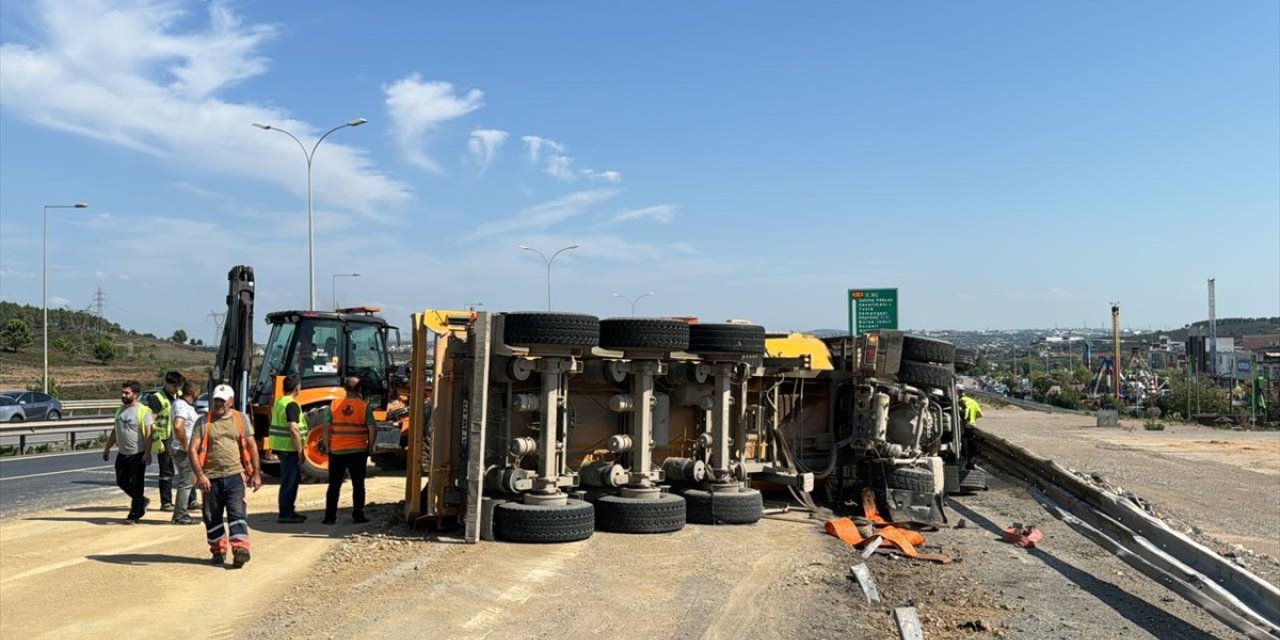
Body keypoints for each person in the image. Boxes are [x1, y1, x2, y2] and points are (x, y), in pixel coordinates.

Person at [191, 384, 262, 568]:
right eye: (216, 400)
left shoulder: (240, 419)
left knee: (237, 513)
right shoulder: (203, 421)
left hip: (234, 476)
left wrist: (256, 474)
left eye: (222, 400)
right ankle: (218, 550)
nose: (218, 403)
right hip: (210, 478)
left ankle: (240, 550)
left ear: (231, 401)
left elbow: (252, 446)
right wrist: (200, 475)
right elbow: (193, 449)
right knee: (212, 516)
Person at [323, 376, 376, 525]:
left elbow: (326, 427)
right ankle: (358, 515)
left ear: (345, 389)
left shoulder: (334, 404)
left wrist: (327, 446)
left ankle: (329, 517)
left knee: (334, 485)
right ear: (359, 389)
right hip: (358, 451)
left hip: (337, 451)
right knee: (358, 485)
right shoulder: (364, 406)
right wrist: (370, 447)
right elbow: (372, 428)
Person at [103, 381, 153, 524]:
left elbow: (149, 433)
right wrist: (107, 448)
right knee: (121, 481)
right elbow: (115, 430)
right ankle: (141, 500)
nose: (123, 395)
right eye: (122, 392)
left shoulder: (144, 411)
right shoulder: (120, 410)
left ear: (135, 395)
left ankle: (135, 513)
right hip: (122, 453)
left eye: (127, 393)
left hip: (137, 453)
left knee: (138, 484)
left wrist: (147, 453)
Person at [269, 374, 309, 524]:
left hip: (281, 447)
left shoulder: (280, 402)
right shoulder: (291, 404)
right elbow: (293, 429)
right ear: (297, 388)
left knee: (289, 480)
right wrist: (300, 451)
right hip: (289, 448)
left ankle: (288, 511)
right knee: (290, 481)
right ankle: (286, 513)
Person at [146, 371, 184, 512]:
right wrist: (157, 442)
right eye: (174, 386)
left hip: (179, 436)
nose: (177, 389)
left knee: (186, 469)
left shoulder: (179, 396)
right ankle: (166, 502)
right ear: (166, 383)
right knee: (167, 471)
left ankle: (190, 500)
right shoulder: (157, 398)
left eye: (178, 386)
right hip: (165, 438)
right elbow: (151, 421)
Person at [168, 381, 201, 525]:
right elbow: (178, 426)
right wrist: (186, 446)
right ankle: (180, 515)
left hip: (182, 448)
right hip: (183, 450)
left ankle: (183, 510)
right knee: (186, 482)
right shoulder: (182, 406)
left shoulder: (183, 405)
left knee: (187, 481)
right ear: (194, 393)